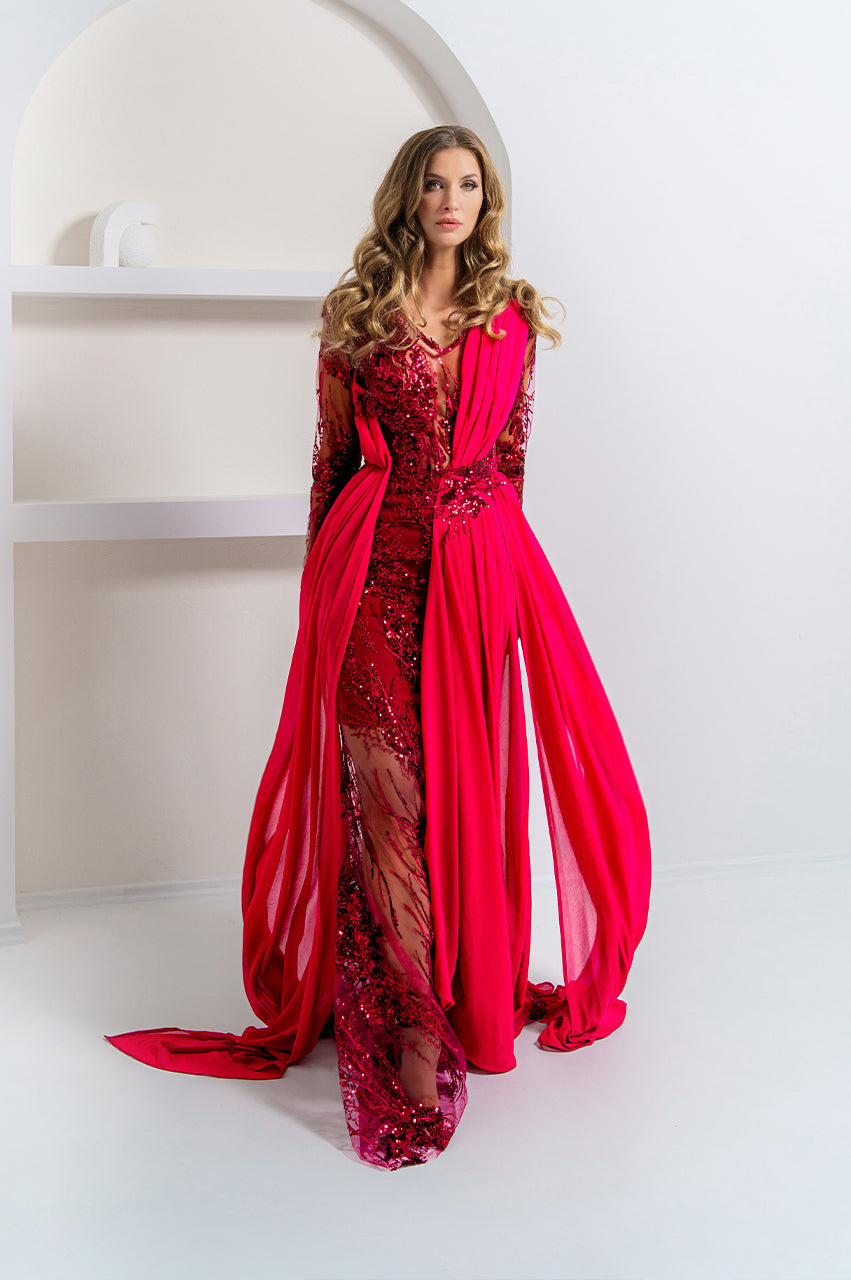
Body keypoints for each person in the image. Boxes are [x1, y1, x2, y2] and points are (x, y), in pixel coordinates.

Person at [107, 125, 651, 1170]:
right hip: (368, 572)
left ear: (484, 202)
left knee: (457, 795)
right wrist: (320, 591)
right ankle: (409, 1026)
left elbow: (509, 463)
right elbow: (327, 461)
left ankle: (452, 986)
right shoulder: (356, 313)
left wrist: (498, 585)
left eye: (468, 184)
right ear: (407, 196)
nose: (451, 199)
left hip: (476, 575)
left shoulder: (508, 316)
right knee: (386, 794)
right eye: (434, 183)